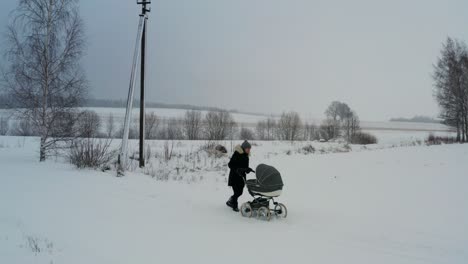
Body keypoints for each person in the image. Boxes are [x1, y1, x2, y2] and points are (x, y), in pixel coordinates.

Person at [226, 140, 254, 212]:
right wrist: (238, 169)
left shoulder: (246, 156)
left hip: (242, 177)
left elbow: (245, 167)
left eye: (249, 148)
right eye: (248, 148)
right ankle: (234, 205)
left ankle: (230, 200)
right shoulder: (237, 154)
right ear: (244, 148)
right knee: (237, 192)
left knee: (240, 192)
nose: (249, 150)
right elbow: (230, 164)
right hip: (234, 176)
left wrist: (247, 170)